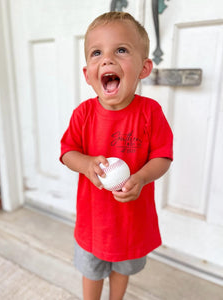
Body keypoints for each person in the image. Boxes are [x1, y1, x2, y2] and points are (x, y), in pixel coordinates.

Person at [60, 11, 173, 300]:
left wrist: (142, 177)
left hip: (131, 223)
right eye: (97, 53)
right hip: (94, 223)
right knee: (92, 269)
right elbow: (67, 152)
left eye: (121, 50)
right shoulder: (83, 114)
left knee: (122, 269)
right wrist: (85, 164)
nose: (107, 59)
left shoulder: (150, 113)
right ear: (87, 74)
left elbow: (162, 157)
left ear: (144, 68)